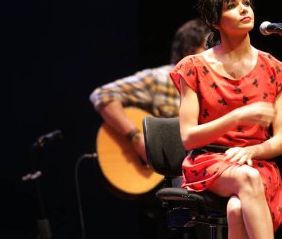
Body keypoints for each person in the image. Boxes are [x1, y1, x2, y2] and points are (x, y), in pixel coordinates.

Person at [170, 0, 282, 239]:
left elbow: (281, 139)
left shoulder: (275, 69)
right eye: (232, 6)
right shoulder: (192, 67)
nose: (244, 10)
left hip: (257, 164)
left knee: (237, 208)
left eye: (246, 3)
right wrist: (236, 116)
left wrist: (252, 150)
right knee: (247, 179)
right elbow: (189, 137)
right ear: (215, 21)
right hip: (208, 162)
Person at [89, 18, 210, 239]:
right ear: (191, 49)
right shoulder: (160, 79)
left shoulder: (213, 87)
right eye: (208, 47)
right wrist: (137, 139)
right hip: (168, 174)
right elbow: (102, 95)